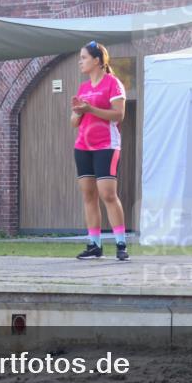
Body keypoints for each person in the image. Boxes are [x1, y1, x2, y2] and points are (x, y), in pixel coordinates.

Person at [71, 41, 129, 261]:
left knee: (108, 194)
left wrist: (90, 108)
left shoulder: (113, 83)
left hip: (106, 146)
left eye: (84, 57)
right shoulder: (83, 88)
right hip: (82, 147)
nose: (80, 61)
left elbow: (118, 115)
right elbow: (74, 123)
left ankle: (121, 244)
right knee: (88, 195)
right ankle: (94, 245)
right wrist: (78, 112)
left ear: (97, 60)